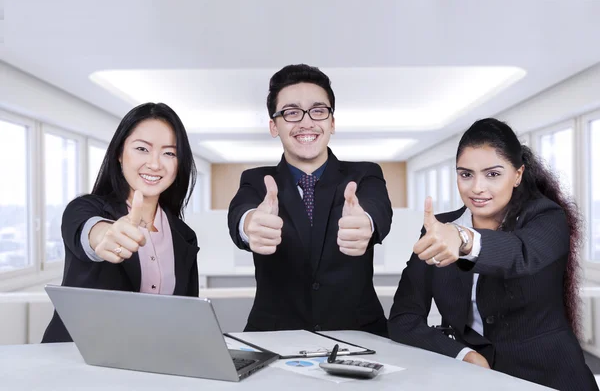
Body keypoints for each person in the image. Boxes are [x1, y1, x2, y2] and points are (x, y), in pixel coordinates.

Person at [388, 118, 597, 390]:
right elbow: (404, 319)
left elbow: (520, 254)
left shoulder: (546, 217)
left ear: (518, 174)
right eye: (466, 174)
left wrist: (463, 239)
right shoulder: (439, 228)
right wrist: (463, 354)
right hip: (475, 380)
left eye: (493, 174)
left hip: (550, 379)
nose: (477, 188)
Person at [227, 64, 393, 336]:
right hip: (274, 336)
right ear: (273, 126)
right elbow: (241, 212)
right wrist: (249, 226)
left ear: (332, 122)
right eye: (292, 112)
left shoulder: (364, 174)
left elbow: (378, 210)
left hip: (359, 336)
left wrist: (367, 223)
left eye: (318, 111)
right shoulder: (256, 181)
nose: (306, 122)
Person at [42, 102, 200, 343]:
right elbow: (91, 231)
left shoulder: (183, 235)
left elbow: (186, 317)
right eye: (142, 149)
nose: (155, 164)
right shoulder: (84, 209)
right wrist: (104, 236)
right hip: (76, 364)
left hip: (148, 366)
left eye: (169, 153)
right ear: (119, 153)